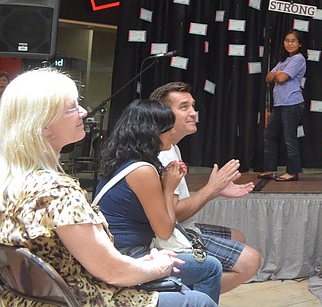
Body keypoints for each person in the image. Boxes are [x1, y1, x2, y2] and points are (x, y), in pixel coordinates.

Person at [0, 68, 215, 307]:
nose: (83, 112)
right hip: (84, 298)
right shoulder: (57, 192)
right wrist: (157, 266)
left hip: (25, 300)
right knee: (199, 301)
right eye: (72, 108)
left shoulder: (12, 182)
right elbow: (114, 272)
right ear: (43, 125)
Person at [96, 100, 223, 302]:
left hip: (119, 250)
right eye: (167, 128)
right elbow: (164, 230)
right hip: (130, 255)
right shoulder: (143, 171)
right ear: (151, 132)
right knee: (211, 268)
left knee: (208, 267)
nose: (173, 132)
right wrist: (169, 188)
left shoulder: (121, 160)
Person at [150, 82, 261, 294]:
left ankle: (193, 291)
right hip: (171, 236)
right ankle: (190, 296)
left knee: (237, 236)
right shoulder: (162, 153)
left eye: (193, 106)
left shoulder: (173, 147)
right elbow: (173, 215)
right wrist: (211, 189)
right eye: (184, 107)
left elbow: (175, 199)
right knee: (250, 261)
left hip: (180, 228)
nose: (193, 113)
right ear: (163, 114)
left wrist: (217, 190)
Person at [260, 29, 307, 182]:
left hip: (292, 103)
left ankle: (293, 172)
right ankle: (270, 169)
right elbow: (268, 77)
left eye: (293, 41)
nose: (289, 43)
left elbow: (281, 78)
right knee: (270, 134)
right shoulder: (283, 61)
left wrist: (278, 74)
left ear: (299, 44)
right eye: (287, 40)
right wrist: (277, 74)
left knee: (289, 138)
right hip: (280, 104)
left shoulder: (298, 59)